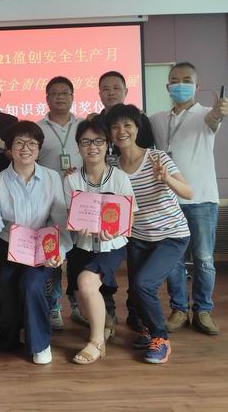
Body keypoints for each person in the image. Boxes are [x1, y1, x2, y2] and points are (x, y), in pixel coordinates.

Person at [0, 121, 72, 365]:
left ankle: (39, 343)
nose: (25, 148)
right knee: (8, 297)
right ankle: (10, 335)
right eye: (19, 142)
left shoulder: (52, 178)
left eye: (32, 143)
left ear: (39, 148)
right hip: (7, 247)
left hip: (42, 248)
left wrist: (57, 251)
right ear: (9, 148)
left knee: (32, 286)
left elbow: (59, 221)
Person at [107, 103, 192, 364]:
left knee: (143, 284)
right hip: (139, 236)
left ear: (137, 128)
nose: (122, 131)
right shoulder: (113, 165)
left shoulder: (157, 157)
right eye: (115, 127)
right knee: (135, 290)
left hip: (171, 234)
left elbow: (188, 192)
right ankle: (146, 328)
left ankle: (160, 338)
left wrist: (167, 179)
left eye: (127, 125)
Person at [150, 62, 228, 335]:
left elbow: (215, 119)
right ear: (167, 86)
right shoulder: (157, 119)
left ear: (197, 86)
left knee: (204, 259)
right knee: (173, 260)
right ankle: (179, 309)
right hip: (168, 200)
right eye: (175, 80)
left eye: (186, 80)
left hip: (202, 200)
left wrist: (220, 111)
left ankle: (203, 310)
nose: (180, 84)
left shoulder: (206, 114)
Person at [63, 118, 137, 363]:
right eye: (86, 142)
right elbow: (69, 216)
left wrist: (115, 231)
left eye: (98, 141)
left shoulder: (120, 178)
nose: (92, 147)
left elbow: (130, 217)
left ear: (107, 145)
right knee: (82, 298)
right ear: (78, 146)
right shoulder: (71, 180)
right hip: (81, 245)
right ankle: (105, 324)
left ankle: (96, 343)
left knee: (86, 283)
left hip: (110, 245)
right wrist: (77, 224)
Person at [91, 71, 156, 335]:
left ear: (126, 90)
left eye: (115, 87)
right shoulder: (95, 122)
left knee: (137, 259)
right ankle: (107, 310)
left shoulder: (140, 118)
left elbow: (148, 152)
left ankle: (136, 312)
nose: (111, 92)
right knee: (105, 253)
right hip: (106, 197)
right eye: (105, 88)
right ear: (99, 93)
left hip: (138, 197)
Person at [36, 76, 83, 330]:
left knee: (79, 256)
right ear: (47, 98)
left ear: (73, 97)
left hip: (80, 201)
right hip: (50, 202)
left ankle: (77, 305)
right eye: (55, 93)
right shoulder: (38, 129)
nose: (60, 97)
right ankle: (54, 306)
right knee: (53, 255)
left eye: (65, 93)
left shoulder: (84, 126)